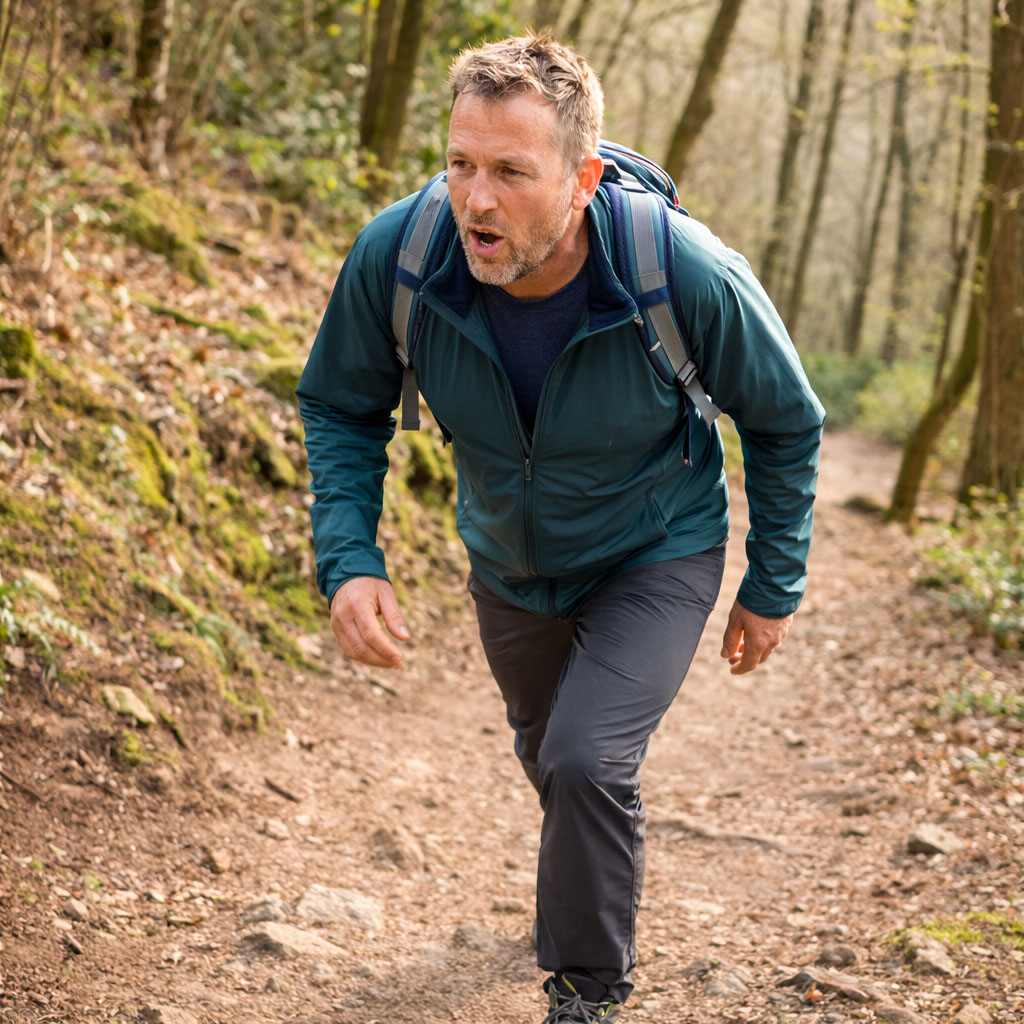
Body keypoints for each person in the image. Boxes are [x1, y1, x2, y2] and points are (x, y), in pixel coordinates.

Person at [297, 33, 825, 1024]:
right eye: (459, 164)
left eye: (509, 171)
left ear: (581, 178)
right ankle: (579, 889)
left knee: (586, 758)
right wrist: (351, 557)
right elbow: (338, 403)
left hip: (654, 547)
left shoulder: (679, 270)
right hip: (507, 559)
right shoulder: (400, 257)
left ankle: (585, 988)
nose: (475, 199)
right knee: (547, 754)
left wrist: (772, 583)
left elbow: (787, 418)